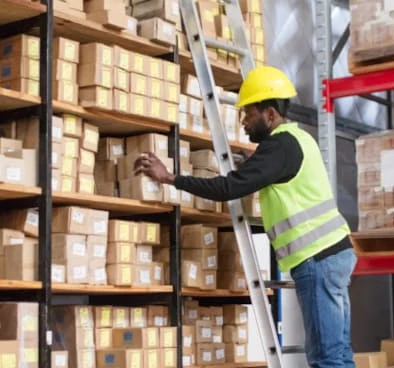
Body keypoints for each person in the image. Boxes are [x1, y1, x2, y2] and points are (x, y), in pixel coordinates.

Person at [134, 65, 356, 368]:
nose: (243, 121)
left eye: (248, 113)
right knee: (338, 352)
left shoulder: (279, 146)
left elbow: (228, 187)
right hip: (334, 254)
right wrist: (258, 163)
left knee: (326, 358)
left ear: (270, 114)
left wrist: (171, 178)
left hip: (317, 259)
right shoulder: (298, 139)